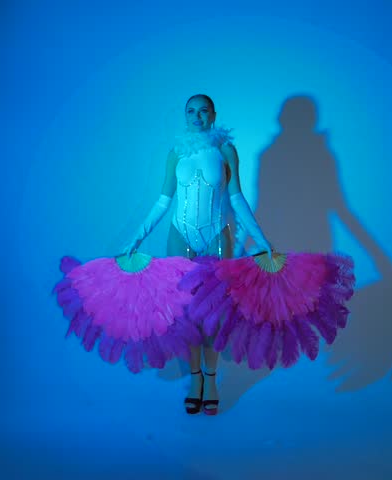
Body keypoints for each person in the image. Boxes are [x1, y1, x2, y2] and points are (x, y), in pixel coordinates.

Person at [123, 94, 273, 415]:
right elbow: (164, 201)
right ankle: (195, 381)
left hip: (217, 237)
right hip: (181, 237)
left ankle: (213, 379)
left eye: (203, 110)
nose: (197, 116)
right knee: (187, 314)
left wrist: (261, 240)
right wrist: (136, 238)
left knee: (214, 313)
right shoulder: (176, 153)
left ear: (213, 115)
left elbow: (237, 199)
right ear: (185, 116)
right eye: (191, 111)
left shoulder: (225, 150)